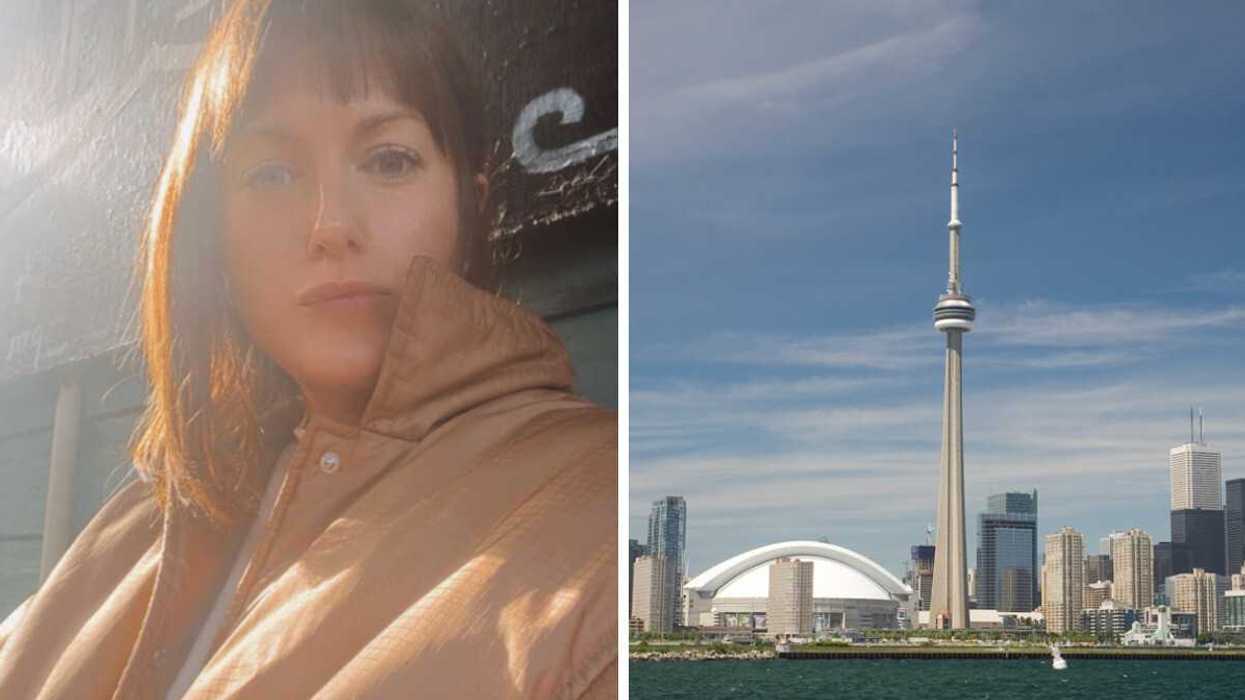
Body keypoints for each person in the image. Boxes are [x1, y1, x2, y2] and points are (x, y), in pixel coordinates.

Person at [0, 1, 617, 697]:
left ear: (471, 207)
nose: (331, 226)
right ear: (212, 230)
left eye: (389, 160)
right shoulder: (145, 518)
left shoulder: (596, 520)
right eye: (270, 173)